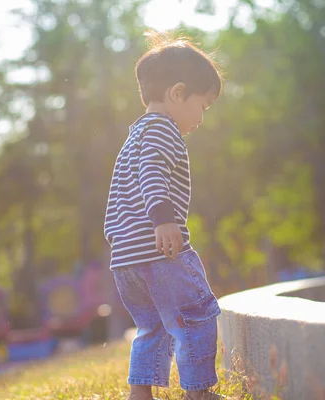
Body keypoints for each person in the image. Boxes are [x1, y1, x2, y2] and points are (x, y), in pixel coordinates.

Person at [104, 30, 224, 400]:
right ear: (177, 93)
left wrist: (122, 242)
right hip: (159, 253)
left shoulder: (134, 136)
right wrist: (163, 219)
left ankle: (140, 395)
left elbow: (118, 199)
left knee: (152, 328)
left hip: (127, 259)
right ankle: (198, 393)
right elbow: (153, 173)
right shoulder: (163, 130)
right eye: (202, 106)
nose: (202, 119)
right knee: (196, 314)